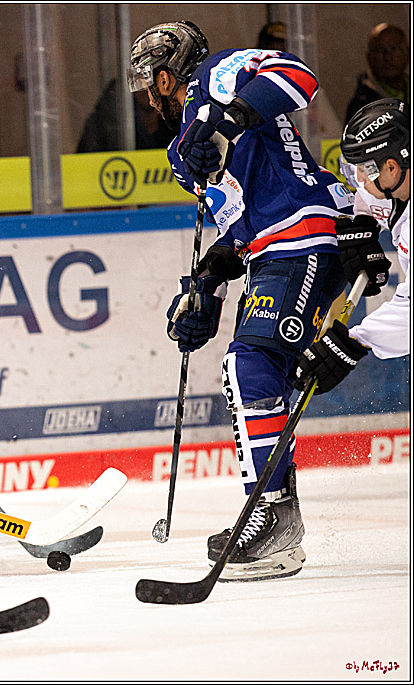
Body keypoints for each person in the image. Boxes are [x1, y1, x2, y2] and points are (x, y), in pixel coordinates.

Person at [127, 21, 353, 581]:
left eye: (148, 84)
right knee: (255, 373)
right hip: (272, 252)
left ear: (165, 76)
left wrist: (228, 120)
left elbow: (298, 76)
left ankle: (273, 517)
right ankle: (275, 514)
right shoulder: (182, 153)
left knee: (248, 364)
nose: (148, 99)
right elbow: (239, 227)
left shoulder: (218, 74)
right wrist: (207, 282)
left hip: (307, 233)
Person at [293, 99, 410, 393]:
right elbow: (367, 200)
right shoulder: (393, 184)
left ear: (392, 167)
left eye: (363, 169)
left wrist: (352, 342)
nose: (358, 178)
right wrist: (362, 227)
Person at [76, 79, 176, 153]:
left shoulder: (175, 121)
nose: (146, 90)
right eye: (141, 84)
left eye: (151, 84)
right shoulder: (107, 123)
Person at [345, 24, 410, 123]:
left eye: (394, 49)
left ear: (407, 53)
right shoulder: (361, 107)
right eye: (380, 50)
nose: (388, 57)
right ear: (369, 57)